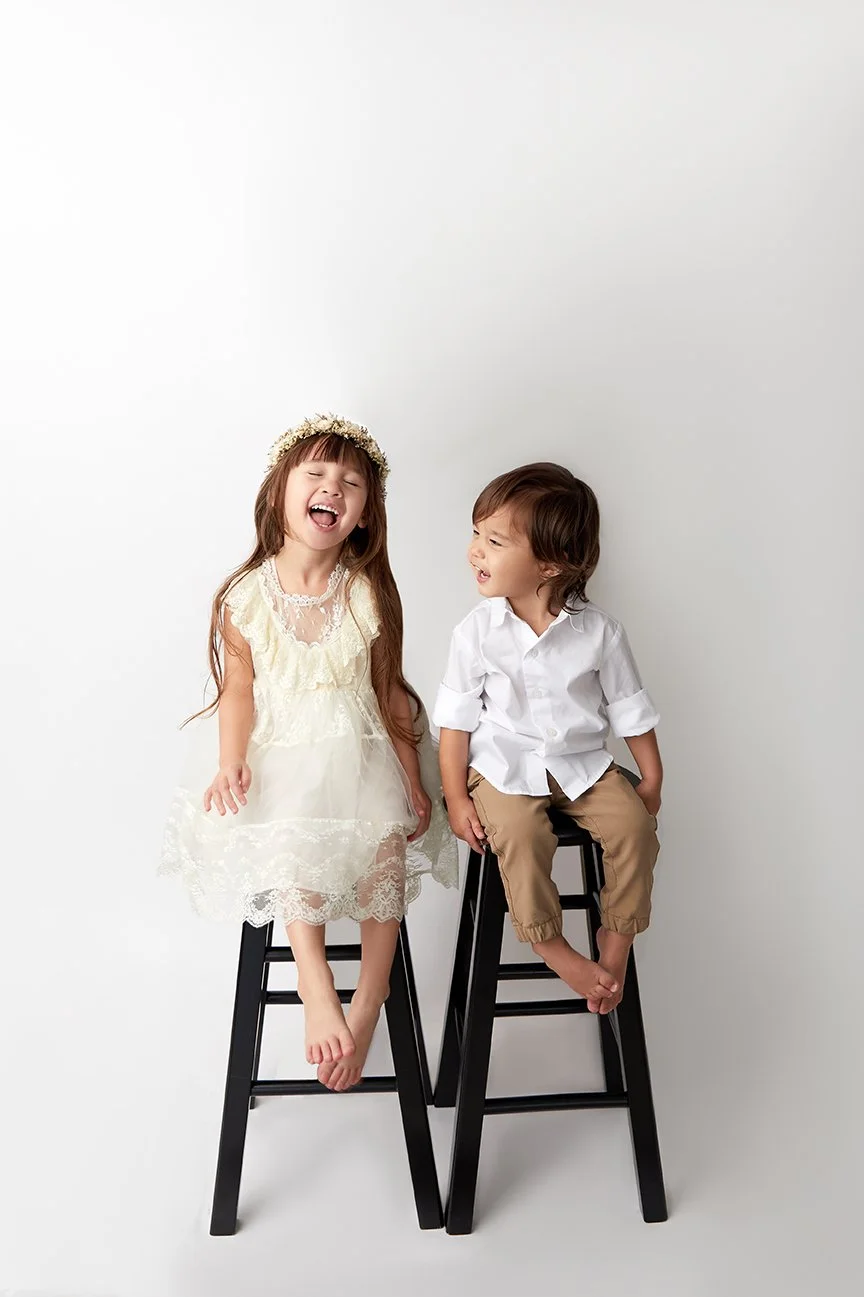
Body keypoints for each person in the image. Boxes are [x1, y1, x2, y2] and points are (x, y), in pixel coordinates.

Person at [161, 414, 457, 1088]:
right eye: (317, 475)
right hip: (286, 751)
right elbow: (238, 691)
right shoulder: (248, 596)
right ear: (281, 493)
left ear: (362, 516)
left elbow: (388, 694)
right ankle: (316, 982)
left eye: (350, 483)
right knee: (292, 835)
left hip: (364, 750)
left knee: (386, 846)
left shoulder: (365, 590)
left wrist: (411, 779)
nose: (333, 489)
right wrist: (231, 757)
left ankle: (370, 1001)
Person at [434, 462, 661, 1013]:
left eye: (494, 541)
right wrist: (458, 796)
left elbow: (629, 708)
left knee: (634, 826)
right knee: (520, 834)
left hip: (581, 765)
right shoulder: (476, 632)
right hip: (502, 767)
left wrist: (651, 776)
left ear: (551, 564)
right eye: (475, 534)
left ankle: (616, 941)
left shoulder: (600, 632)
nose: (475, 551)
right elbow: (456, 721)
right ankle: (551, 944)